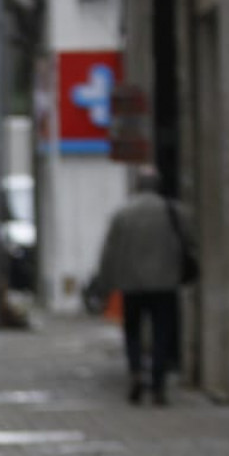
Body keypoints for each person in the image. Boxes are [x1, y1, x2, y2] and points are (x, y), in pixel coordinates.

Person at [93, 168, 192, 405]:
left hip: (132, 285)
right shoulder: (174, 212)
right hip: (164, 284)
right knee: (161, 332)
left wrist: (105, 286)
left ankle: (136, 372)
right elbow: (191, 243)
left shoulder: (123, 214)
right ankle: (158, 382)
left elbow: (109, 253)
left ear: (137, 186)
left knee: (133, 333)